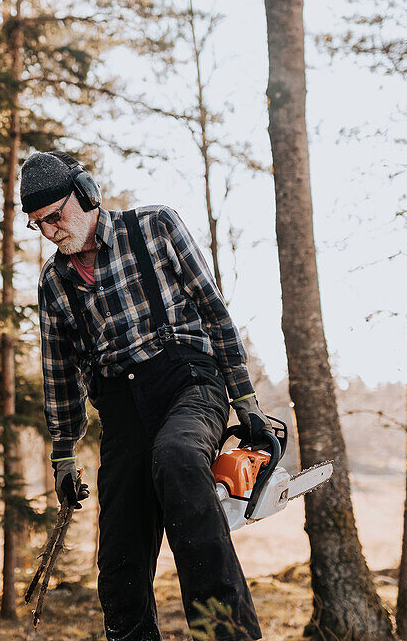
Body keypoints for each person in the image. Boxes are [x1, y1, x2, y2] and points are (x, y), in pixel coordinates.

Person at [21, 151, 268, 641]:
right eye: (38, 224)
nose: (50, 231)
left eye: (55, 216)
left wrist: (245, 402)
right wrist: (64, 456)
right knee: (118, 559)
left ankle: (226, 633)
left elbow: (214, 312)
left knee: (176, 456)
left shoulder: (155, 227)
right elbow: (60, 375)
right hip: (121, 409)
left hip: (188, 382)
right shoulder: (55, 283)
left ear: (87, 195)